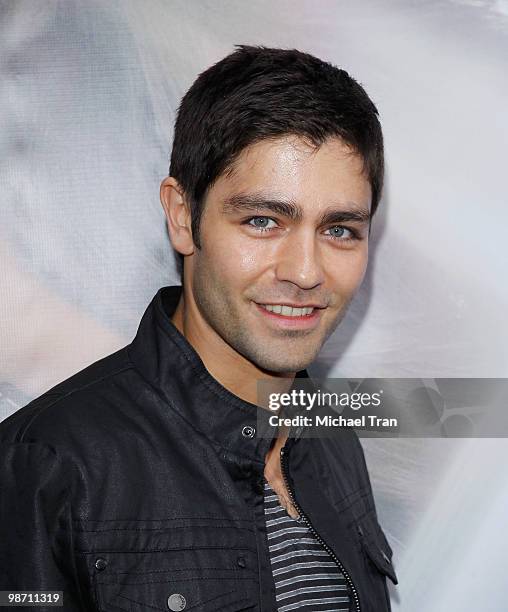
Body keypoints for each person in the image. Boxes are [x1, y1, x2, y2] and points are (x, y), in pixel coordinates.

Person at [0, 45, 397, 611]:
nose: (306, 272)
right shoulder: (47, 464)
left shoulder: (331, 436)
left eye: (339, 230)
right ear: (183, 216)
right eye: (263, 221)